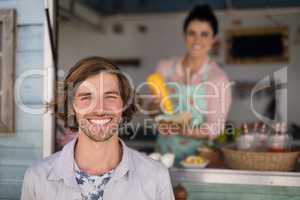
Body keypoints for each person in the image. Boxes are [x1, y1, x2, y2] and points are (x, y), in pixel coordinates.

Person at [21, 57, 175, 200]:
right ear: (71, 106)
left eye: (110, 96)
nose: (100, 109)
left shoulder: (155, 176)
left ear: (124, 105)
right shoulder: (37, 178)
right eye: (86, 97)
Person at [149, 5, 232, 162]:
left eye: (204, 34)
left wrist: (181, 130)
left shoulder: (218, 78)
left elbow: (215, 127)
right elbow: (153, 110)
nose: (197, 40)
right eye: (192, 33)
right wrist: (154, 112)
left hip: (198, 159)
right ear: (184, 35)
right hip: (163, 155)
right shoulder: (165, 68)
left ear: (213, 39)